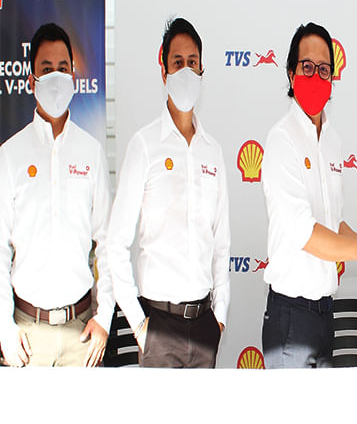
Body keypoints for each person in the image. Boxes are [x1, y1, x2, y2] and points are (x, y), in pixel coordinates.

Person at [261, 22, 357, 369]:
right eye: (307, 67)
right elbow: (304, 232)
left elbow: (333, 223)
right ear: (291, 74)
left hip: (325, 312)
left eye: (324, 69)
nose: (316, 75)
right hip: (290, 317)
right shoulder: (281, 140)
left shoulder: (333, 141)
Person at [106, 18, 230, 368]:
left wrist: (220, 316)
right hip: (158, 325)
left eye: (193, 62)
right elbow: (116, 243)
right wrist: (139, 324)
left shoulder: (213, 151)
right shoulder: (144, 145)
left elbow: (221, 244)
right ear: (163, 71)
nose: (186, 71)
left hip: (204, 325)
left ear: (202, 70)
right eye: (178, 62)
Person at [0, 23, 113, 367]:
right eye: (46, 69)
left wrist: (104, 317)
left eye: (63, 68)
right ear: (31, 81)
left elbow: (107, 243)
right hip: (27, 335)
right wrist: (4, 327)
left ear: (74, 77)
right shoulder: (10, 155)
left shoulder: (91, 152)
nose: (56, 78)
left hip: (82, 334)